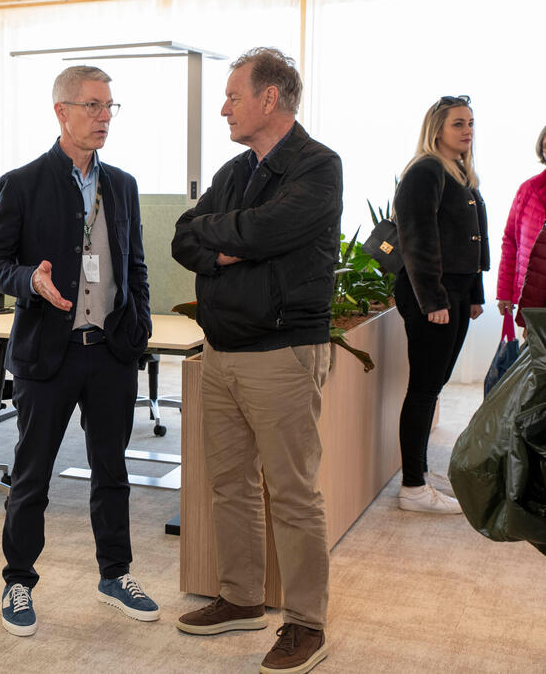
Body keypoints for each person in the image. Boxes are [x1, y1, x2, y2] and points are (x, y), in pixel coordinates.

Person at [171, 47, 341, 674]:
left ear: (270, 99)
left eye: (233, 96)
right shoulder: (235, 169)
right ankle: (241, 599)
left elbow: (268, 234)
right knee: (229, 484)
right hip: (221, 351)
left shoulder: (319, 167)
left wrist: (232, 235)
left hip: (281, 353)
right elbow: (184, 236)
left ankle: (306, 623)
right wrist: (228, 246)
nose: (224, 107)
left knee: (293, 494)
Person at [0, 65, 156, 637]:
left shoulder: (123, 185)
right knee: (32, 474)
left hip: (108, 351)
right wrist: (30, 279)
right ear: (61, 111)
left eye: (110, 107)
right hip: (47, 355)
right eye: (93, 106)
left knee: (112, 471)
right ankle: (18, 580)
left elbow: (135, 264)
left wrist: (139, 331)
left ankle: (115, 574)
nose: (104, 117)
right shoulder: (23, 182)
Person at [392, 95, 488, 514]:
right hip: (433, 294)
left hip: (457, 293)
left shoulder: (462, 174)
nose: (467, 130)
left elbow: (473, 238)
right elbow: (417, 238)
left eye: (470, 123)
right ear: (437, 130)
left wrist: (475, 295)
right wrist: (433, 299)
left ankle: (421, 473)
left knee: (434, 386)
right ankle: (412, 488)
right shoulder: (426, 170)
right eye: (458, 124)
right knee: (424, 388)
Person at [497, 125, 546, 325]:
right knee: (535, 354)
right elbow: (510, 241)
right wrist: (504, 291)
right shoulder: (528, 190)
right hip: (532, 296)